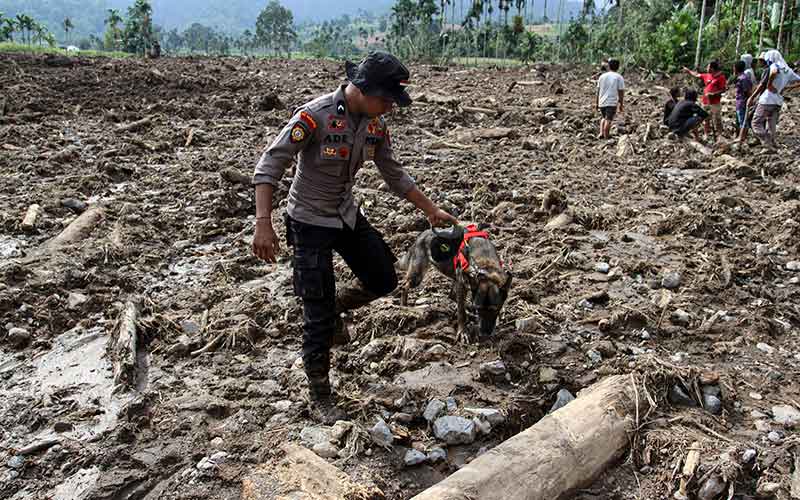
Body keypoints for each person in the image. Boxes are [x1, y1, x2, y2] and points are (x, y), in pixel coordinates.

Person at [251, 52, 457, 423]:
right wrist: (262, 222)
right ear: (363, 90)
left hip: (345, 214)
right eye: (387, 100)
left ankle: (334, 309)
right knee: (315, 310)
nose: (390, 108)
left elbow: (393, 172)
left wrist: (430, 209)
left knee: (384, 277)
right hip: (308, 221)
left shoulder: (375, 125)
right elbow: (270, 164)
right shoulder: (314, 116)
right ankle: (320, 392)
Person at [748, 49, 800, 150]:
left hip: (767, 99)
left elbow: (774, 72)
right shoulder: (788, 70)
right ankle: (773, 143)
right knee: (771, 124)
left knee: (756, 123)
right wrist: (788, 88)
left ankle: (767, 143)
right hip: (778, 101)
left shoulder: (775, 65)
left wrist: (769, 83)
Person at [683, 60, 727, 139]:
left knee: (717, 119)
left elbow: (723, 89)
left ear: (712, 68)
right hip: (705, 102)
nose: (706, 68)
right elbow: (697, 75)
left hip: (715, 103)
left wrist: (714, 94)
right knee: (705, 118)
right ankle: (706, 134)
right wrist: (688, 71)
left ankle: (719, 135)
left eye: (708, 66)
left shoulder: (721, 77)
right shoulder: (707, 75)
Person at [596, 58, 625, 139]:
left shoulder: (602, 76)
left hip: (602, 101)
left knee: (604, 118)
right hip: (611, 102)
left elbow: (598, 90)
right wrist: (621, 103)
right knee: (608, 120)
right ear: (618, 67)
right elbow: (621, 91)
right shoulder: (619, 77)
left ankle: (601, 133)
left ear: (608, 66)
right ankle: (606, 136)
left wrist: (597, 102)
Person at [733, 60, 754, 140]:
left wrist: (750, 101)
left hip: (742, 103)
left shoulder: (743, 79)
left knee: (743, 121)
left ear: (736, 68)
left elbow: (748, 92)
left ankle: (742, 138)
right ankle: (741, 136)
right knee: (741, 120)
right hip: (740, 102)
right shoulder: (741, 78)